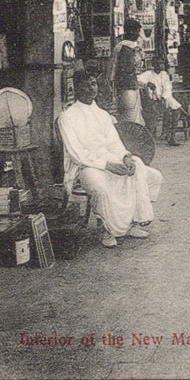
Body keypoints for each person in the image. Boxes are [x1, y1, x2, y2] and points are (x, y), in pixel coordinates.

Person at [58, 70, 162, 248]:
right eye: (86, 85)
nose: (91, 89)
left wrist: (125, 157)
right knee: (101, 187)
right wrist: (107, 165)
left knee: (146, 171)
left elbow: (114, 142)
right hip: (84, 166)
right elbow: (77, 153)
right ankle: (106, 229)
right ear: (76, 89)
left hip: (109, 159)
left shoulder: (102, 114)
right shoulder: (67, 117)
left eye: (94, 84)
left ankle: (133, 222)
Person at [137, 58, 190, 146]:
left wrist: (163, 98)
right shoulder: (148, 74)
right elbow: (137, 79)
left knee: (173, 110)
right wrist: (147, 83)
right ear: (153, 65)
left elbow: (167, 88)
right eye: (157, 64)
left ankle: (172, 137)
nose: (160, 66)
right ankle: (187, 115)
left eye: (161, 64)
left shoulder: (164, 74)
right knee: (172, 105)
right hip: (152, 101)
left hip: (163, 100)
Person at [111, 18, 145, 125]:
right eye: (137, 32)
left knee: (127, 116)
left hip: (124, 86)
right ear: (131, 31)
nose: (138, 35)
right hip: (128, 86)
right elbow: (129, 68)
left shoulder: (119, 46)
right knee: (130, 118)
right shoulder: (128, 47)